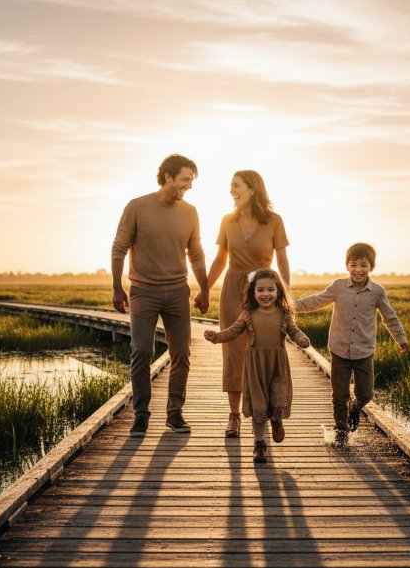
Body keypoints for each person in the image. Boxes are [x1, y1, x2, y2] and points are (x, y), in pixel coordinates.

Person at [111, 153, 210, 437]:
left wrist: (204, 288)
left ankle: (174, 413)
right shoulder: (137, 207)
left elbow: (196, 252)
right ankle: (141, 414)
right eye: (185, 179)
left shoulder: (190, 212)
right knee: (142, 351)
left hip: (178, 291)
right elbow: (119, 249)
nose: (189, 185)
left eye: (191, 180)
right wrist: (117, 287)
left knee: (181, 353)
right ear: (168, 177)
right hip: (143, 291)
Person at [293, 243, 410, 445]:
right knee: (339, 395)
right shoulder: (338, 287)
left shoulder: (377, 292)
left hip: (364, 352)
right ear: (347, 265)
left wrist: (401, 339)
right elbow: (317, 301)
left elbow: (389, 318)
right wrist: (291, 306)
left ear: (371, 267)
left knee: (365, 394)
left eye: (363, 265)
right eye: (354, 264)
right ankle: (341, 431)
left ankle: (354, 408)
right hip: (339, 350)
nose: (358, 269)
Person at [206, 170, 290, 438]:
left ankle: (271, 412)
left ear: (253, 189)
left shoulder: (274, 221)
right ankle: (234, 417)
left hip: (264, 288)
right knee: (234, 354)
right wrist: (205, 289)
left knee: (266, 349)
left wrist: (283, 294)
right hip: (233, 289)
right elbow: (220, 259)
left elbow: (282, 259)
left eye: (236, 185)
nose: (231, 189)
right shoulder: (227, 221)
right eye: (230, 185)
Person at [204, 268, 309, 463]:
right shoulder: (248, 314)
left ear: (278, 291)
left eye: (270, 290)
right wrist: (216, 337)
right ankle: (259, 444)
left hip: (278, 366)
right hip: (255, 367)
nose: (266, 294)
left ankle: (276, 419)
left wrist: (302, 339)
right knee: (259, 406)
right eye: (260, 290)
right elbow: (233, 332)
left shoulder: (284, 314)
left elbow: (294, 331)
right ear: (253, 292)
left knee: (277, 398)